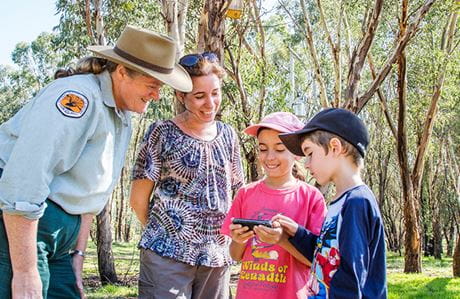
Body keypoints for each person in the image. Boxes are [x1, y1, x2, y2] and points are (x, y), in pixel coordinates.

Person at [0, 25, 192, 299]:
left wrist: (78, 254)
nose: (156, 95)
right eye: (152, 85)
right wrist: (26, 271)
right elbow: (23, 182)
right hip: (22, 234)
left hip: (59, 243)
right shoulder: (77, 99)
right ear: (122, 72)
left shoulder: (121, 113)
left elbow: (92, 192)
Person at [129, 51, 245, 299]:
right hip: (166, 255)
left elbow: (236, 194)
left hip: (216, 257)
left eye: (215, 94)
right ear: (181, 96)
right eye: (200, 96)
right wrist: (168, 234)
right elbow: (138, 200)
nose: (210, 103)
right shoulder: (161, 133)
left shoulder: (229, 135)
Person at [277, 108, 387, 298]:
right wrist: (298, 233)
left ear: (335, 147)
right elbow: (328, 258)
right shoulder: (341, 201)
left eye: (310, 153)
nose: (307, 163)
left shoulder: (356, 203)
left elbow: (350, 277)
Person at [220, 112, 327, 299]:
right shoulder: (245, 194)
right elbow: (236, 255)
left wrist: (282, 240)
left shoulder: (311, 197)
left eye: (279, 149)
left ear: (297, 153)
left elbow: (318, 261)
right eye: (263, 148)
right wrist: (239, 239)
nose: (269, 157)